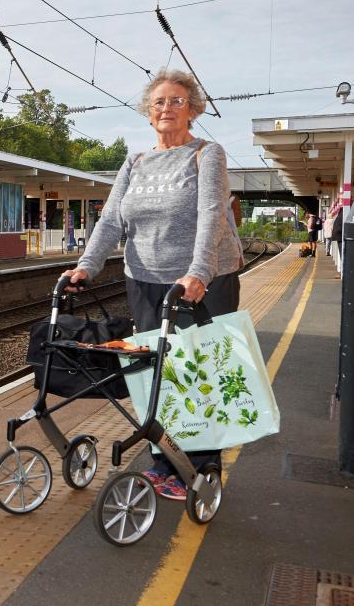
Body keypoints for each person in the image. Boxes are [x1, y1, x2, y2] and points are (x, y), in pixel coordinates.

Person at [61, 68, 244, 501]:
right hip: (143, 279)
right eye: (159, 102)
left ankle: (202, 464)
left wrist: (199, 271)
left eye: (177, 101)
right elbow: (111, 220)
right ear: (148, 113)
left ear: (193, 110)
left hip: (204, 282)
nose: (167, 108)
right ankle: (165, 459)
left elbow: (212, 215)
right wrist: (87, 265)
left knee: (199, 374)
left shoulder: (206, 153)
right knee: (154, 374)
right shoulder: (135, 162)